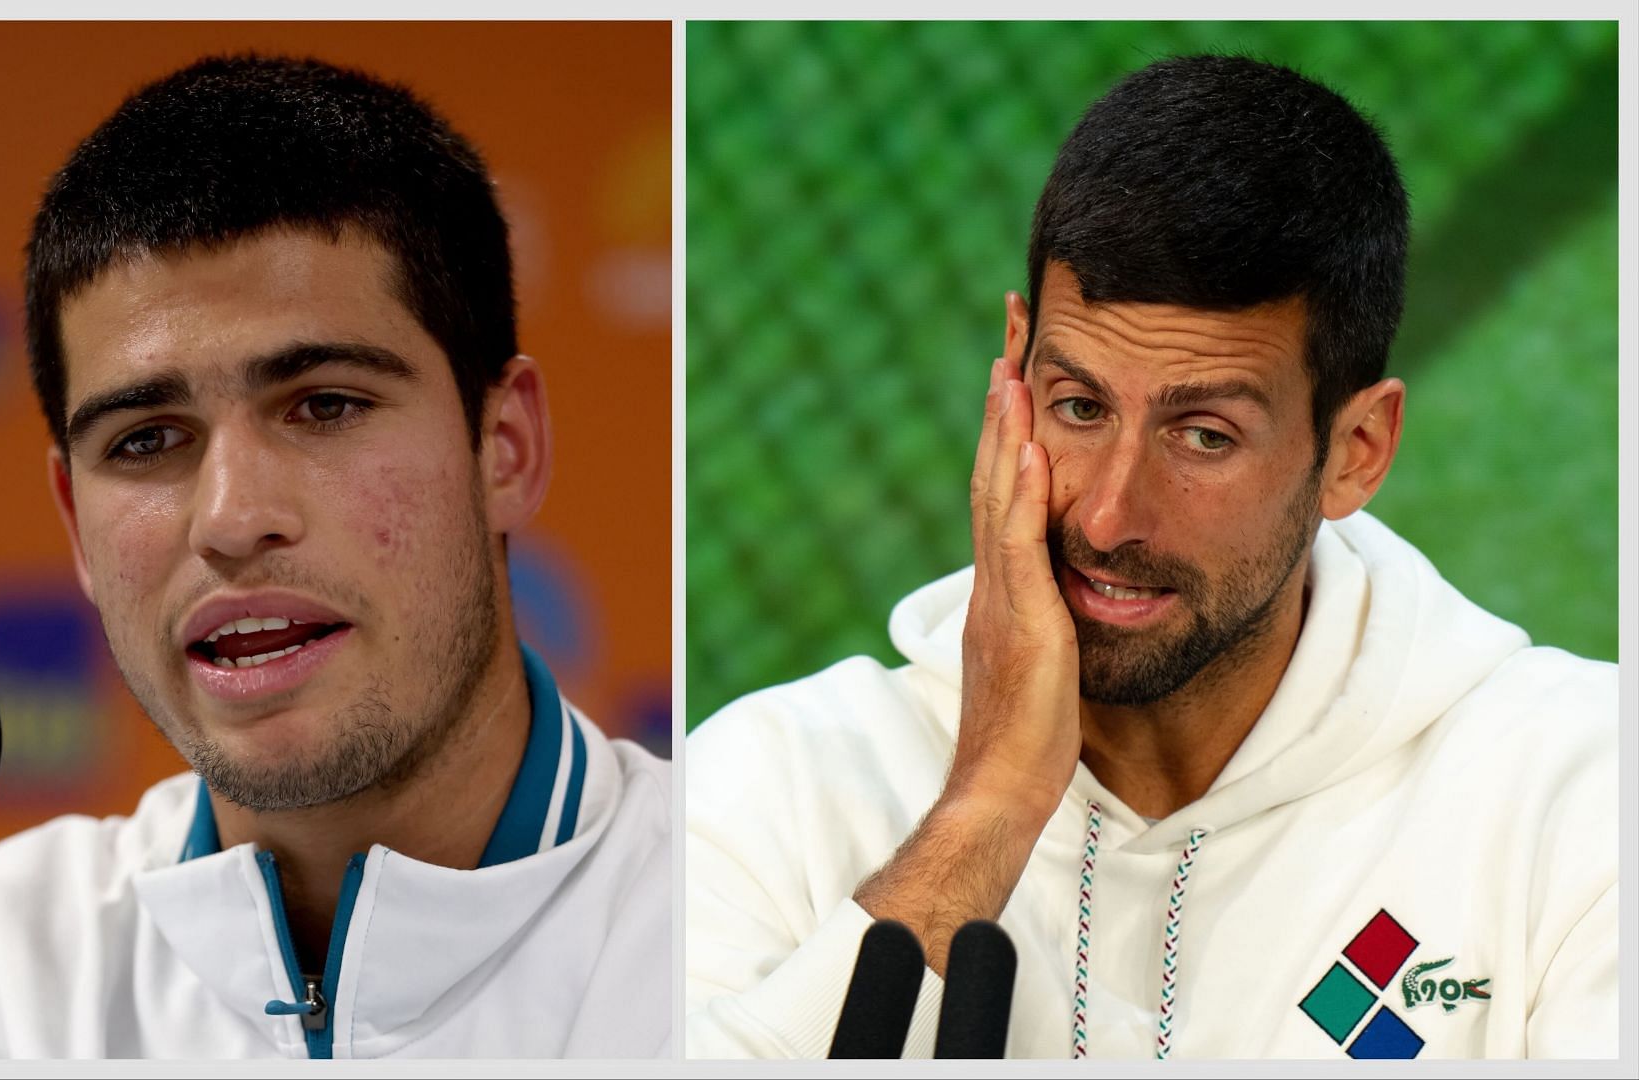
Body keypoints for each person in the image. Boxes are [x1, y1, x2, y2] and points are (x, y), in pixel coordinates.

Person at [686, 54, 1615, 1060]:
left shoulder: (1579, 789)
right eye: (1079, 408)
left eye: (1204, 435)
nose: (1111, 517)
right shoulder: (769, 785)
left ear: (1358, 452)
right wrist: (988, 806)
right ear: (1014, 362)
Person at [0, 53, 671, 1059]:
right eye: (146, 441)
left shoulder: (742, 916)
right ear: (75, 520)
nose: (232, 516)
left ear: (505, 448)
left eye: (325, 405)